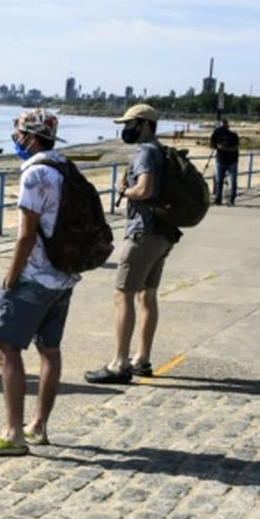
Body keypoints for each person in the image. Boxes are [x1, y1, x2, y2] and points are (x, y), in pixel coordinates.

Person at [0, 110, 80, 456]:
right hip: (62, 276)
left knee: (7, 348)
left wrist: (10, 276)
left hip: (34, 275)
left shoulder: (35, 174)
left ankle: (13, 433)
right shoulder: (65, 168)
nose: (16, 139)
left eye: (18, 133)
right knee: (49, 350)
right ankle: (38, 426)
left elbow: (25, 235)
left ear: (31, 137)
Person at [85, 104, 177, 384]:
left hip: (142, 234)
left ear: (144, 124)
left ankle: (119, 363)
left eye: (130, 123)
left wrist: (124, 190)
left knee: (122, 294)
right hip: (162, 233)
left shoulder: (147, 152)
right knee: (146, 296)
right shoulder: (160, 150)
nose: (126, 129)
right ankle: (142, 358)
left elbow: (146, 189)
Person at [209, 119, 240, 206]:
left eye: (224, 126)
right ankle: (218, 199)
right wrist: (217, 145)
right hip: (221, 160)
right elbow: (211, 145)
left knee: (232, 181)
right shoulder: (217, 134)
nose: (223, 128)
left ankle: (231, 199)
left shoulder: (233, 135)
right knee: (219, 180)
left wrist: (225, 148)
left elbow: (236, 148)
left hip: (232, 160)